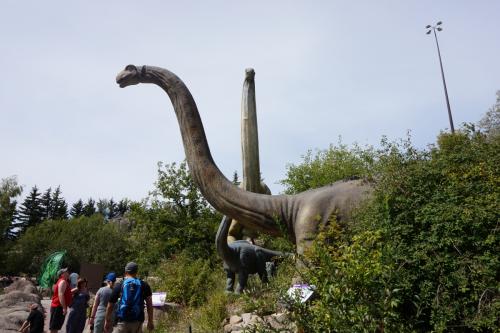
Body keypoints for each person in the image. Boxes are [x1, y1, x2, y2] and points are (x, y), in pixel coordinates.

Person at [104, 262, 154, 333]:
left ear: (125, 271)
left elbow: (110, 306)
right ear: (136, 271)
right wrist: (150, 321)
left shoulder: (120, 285)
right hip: (137, 322)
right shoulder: (144, 285)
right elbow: (149, 305)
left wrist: (107, 320)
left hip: (121, 321)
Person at [50, 268, 73, 333]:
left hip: (58, 306)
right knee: (54, 327)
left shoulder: (62, 281)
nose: (68, 273)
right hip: (58, 306)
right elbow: (60, 294)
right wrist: (64, 308)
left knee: (55, 327)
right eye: (66, 272)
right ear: (62, 274)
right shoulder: (63, 281)